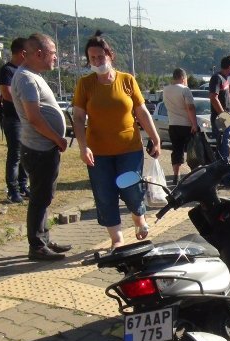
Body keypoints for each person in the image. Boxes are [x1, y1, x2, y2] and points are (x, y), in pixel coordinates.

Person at [72, 31, 161, 249]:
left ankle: (138, 216)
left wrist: (155, 138)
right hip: (98, 152)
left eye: (100, 57)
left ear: (110, 56)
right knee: (105, 194)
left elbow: (141, 112)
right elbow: (77, 118)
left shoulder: (127, 80)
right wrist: (83, 148)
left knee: (131, 189)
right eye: (92, 58)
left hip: (129, 148)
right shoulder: (85, 84)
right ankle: (117, 238)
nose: (97, 61)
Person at [11, 33, 71, 261]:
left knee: (45, 195)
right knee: (40, 197)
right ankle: (36, 246)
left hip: (43, 148)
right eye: (53, 53)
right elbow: (34, 117)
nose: (55, 57)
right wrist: (57, 138)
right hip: (39, 149)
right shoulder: (26, 78)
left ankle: (43, 239)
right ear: (39, 54)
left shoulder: (33, 75)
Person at [0, 37, 29, 203]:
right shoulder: (7, 70)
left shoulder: (26, 71)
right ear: (23, 53)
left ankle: (23, 186)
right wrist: (26, 103)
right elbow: (6, 93)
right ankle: (12, 190)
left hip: (25, 119)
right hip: (13, 119)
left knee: (26, 153)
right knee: (15, 154)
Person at [209, 56, 230, 189]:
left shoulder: (225, 79)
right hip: (221, 119)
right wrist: (223, 114)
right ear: (229, 67)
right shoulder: (217, 78)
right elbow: (213, 97)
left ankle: (225, 177)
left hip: (225, 118)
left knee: (224, 147)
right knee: (223, 149)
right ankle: (226, 179)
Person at [162, 68, 198, 186]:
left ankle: (176, 176)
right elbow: (190, 107)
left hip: (173, 124)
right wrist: (194, 124)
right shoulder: (185, 90)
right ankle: (193, 176)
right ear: (183, 78)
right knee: (192, 151)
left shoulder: (165, 90)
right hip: (186, 125)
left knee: (176, 150)